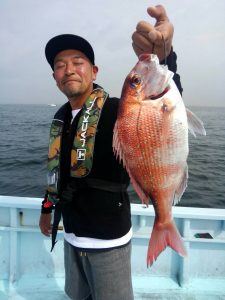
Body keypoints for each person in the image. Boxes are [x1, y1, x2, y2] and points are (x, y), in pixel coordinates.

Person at [39, 5, 183, 300]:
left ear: (94, 71)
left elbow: (163, 102)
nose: (68, 69)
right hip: (71, 235)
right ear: (54, 76)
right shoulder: (62, 118)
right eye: (60, 64)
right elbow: (58, 169)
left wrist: (166, 54)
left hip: (108, 240)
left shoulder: (119, 110)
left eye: (77, 62)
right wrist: (47, 207)